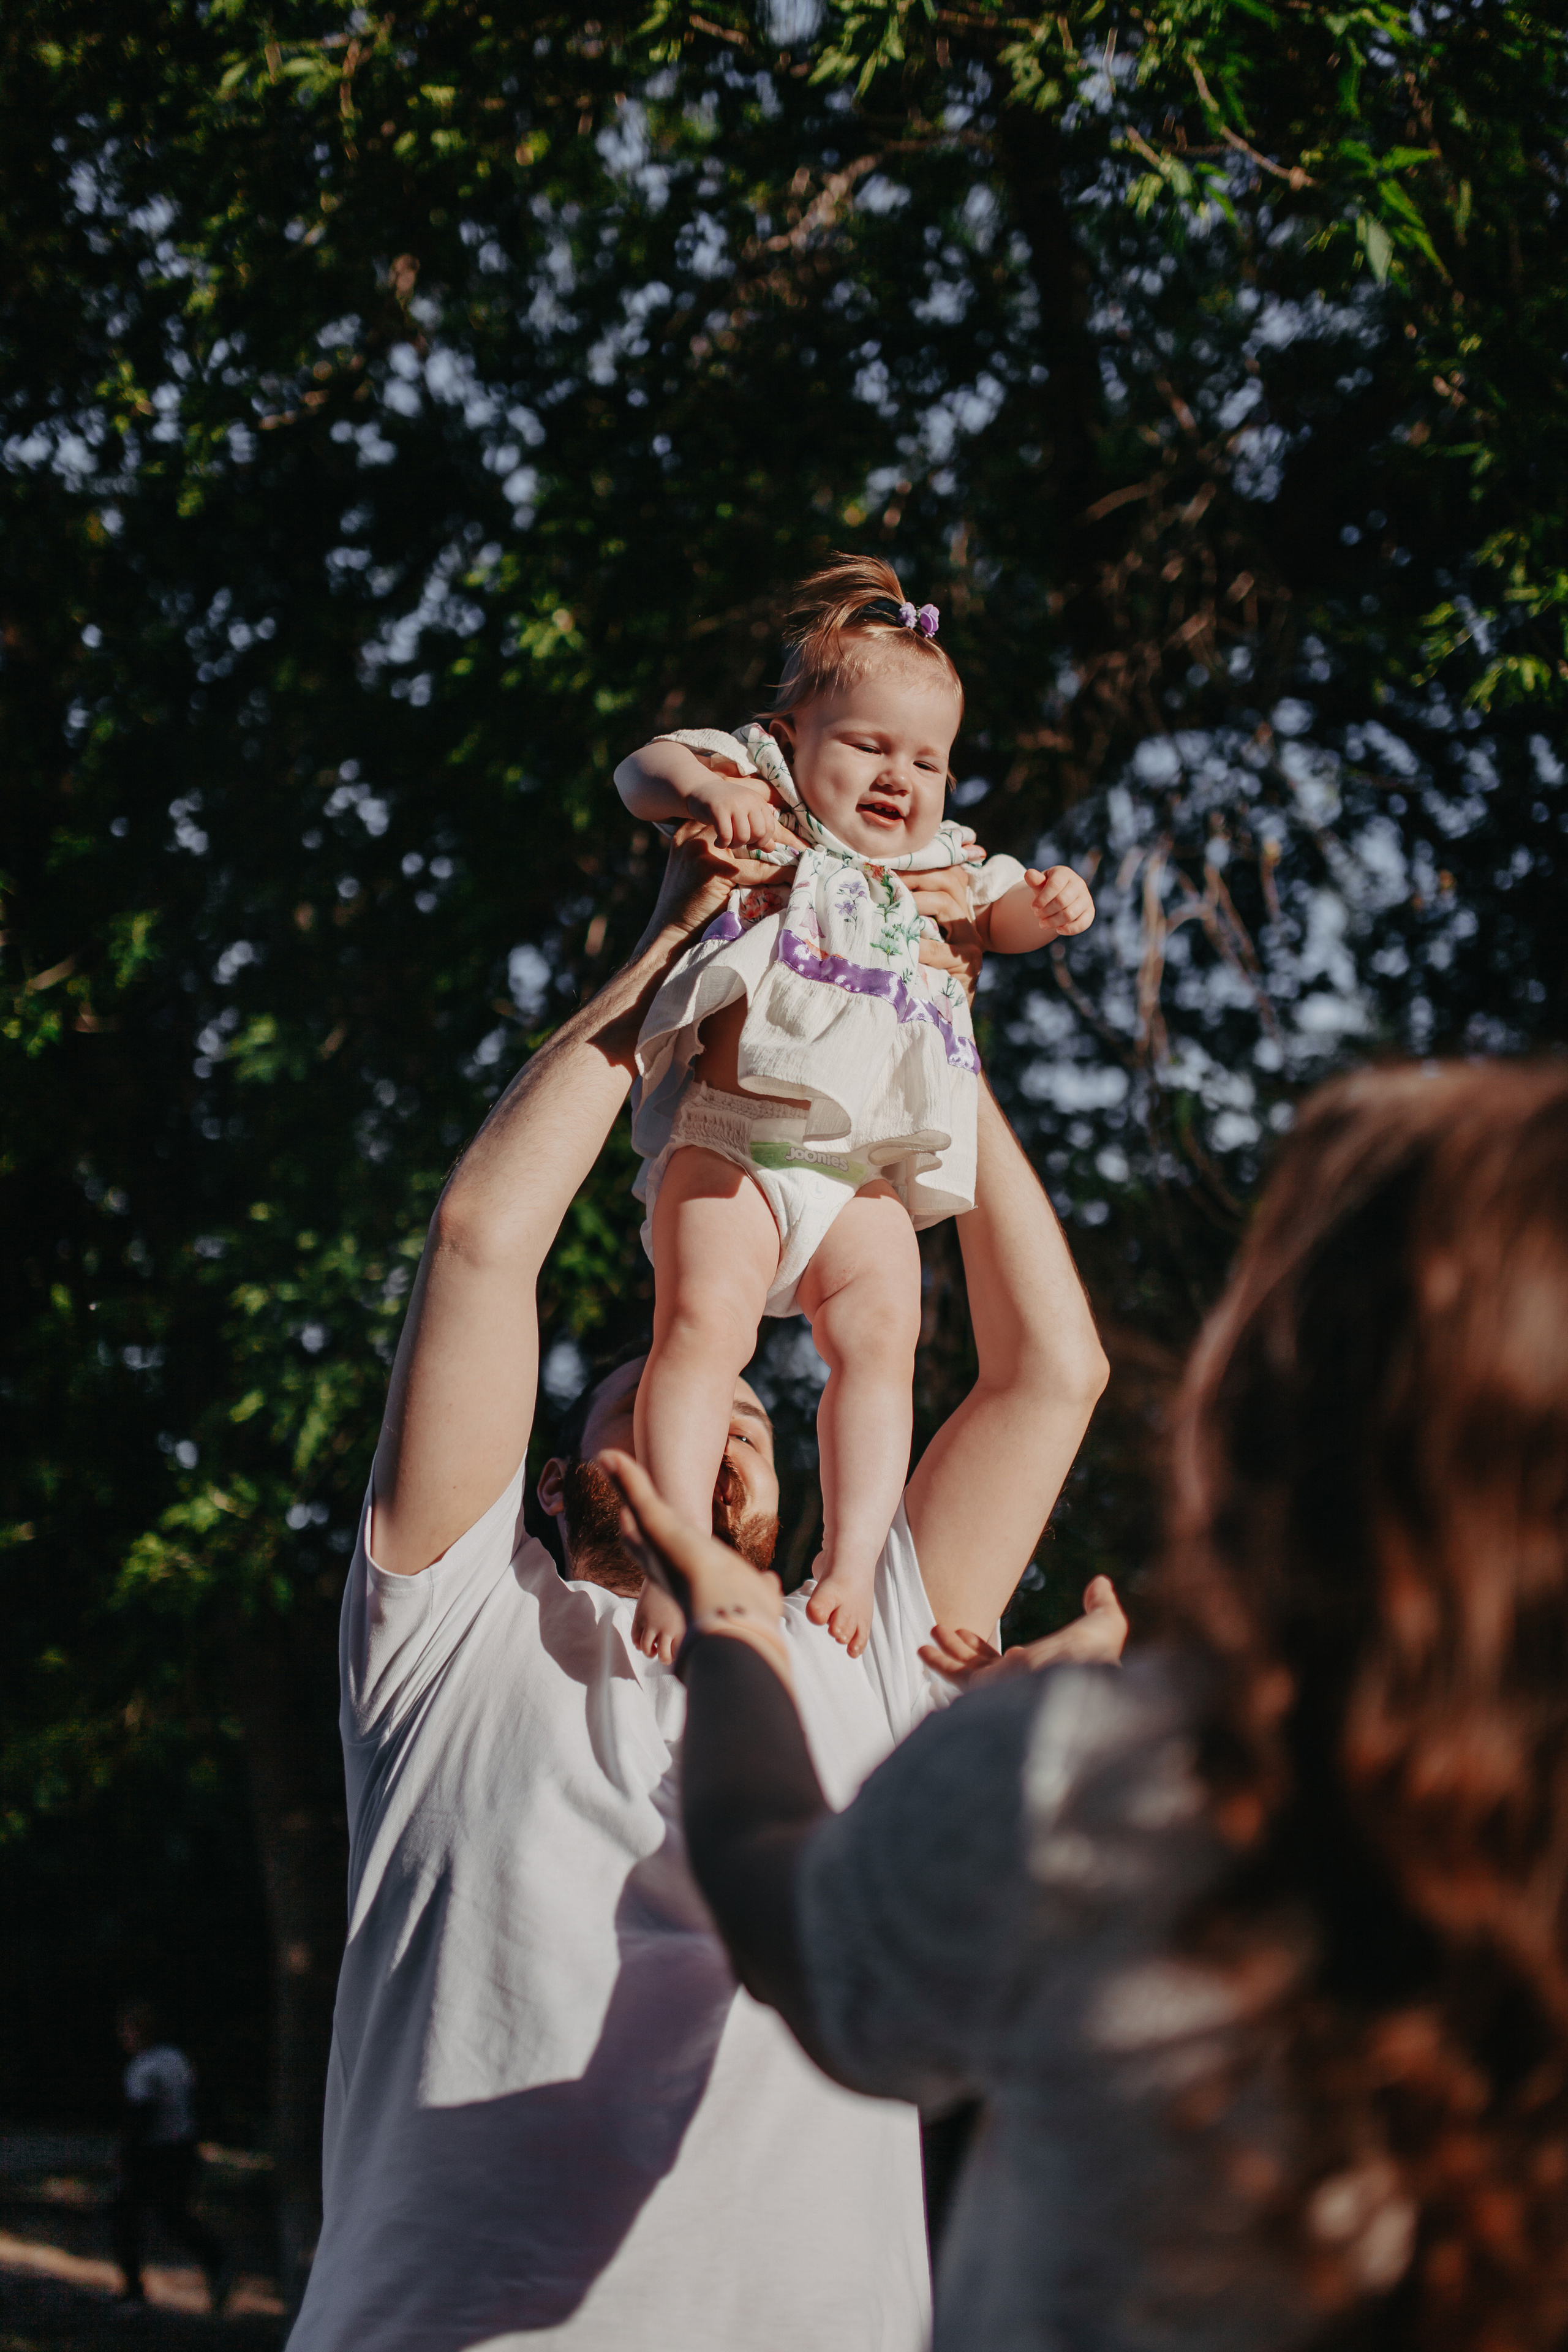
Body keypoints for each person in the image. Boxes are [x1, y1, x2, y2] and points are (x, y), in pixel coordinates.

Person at [287, 826, 1120, 2352]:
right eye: (657, 1388)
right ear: (553, 1482)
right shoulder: (460, 1628)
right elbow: (481, 1240)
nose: (734, 1395)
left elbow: (1049, 1372)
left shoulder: (857, 1641)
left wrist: (926, 1012)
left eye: (757, 1397)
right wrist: (681, 945)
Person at [605, 1058, 1568, 2352]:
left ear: (1276, 1397)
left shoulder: (1092, 1780)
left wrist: (731, 1636)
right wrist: (920, 1036)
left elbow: (789, 1917)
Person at [614, 554, 1095, 1659]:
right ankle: (677, 1548)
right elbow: (639, 770)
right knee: (700, 1333)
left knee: (885, 1344)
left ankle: (854, 1559)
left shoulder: (947, 860)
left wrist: (1051, 906)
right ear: (790, 739)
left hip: (861, 1176)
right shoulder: (768, 800)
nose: (900, 777)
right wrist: (704, 790)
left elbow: (1006, 915)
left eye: (927, 759)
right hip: (731, 1139)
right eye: (869, 745)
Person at [112, 1997, 231, 2313]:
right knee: (174, 2216)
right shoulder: (176, 2059)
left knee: (126, 2218)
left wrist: (127, 2156)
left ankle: (133, 2291)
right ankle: (217, 2262)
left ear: (136, 2032)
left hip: (154, 2154)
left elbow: (142, 2115)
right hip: (183, 2149)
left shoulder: (143, 2069)